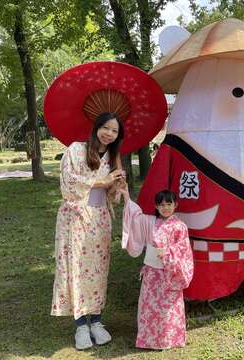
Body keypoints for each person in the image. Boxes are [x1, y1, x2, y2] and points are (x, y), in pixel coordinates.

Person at [51, 112, 125, 350]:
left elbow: (110, 197)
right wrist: (100, 182)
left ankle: (97, 321)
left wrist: (116, 186)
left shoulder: (114, 158)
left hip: (99, 219)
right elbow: (68, 182)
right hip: (75, 219)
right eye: (105, 128)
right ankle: (81, 325)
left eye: (114, 131)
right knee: (77, 269)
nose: (109, 134)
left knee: (98, 270)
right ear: (96, 128)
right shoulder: (75, 150)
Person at [120, 188, 194, 350]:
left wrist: (167, 253)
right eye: (161, 204)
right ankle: (149, 340)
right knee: (150, 307)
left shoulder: (180, 226)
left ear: (176, 205)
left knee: (168, 308)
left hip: (170, 274)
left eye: (169, 204)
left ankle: (170, 339)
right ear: (156, 206)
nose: (165, 207)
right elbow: (135, 218)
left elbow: (184, 251)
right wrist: (126, 196)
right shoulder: (151, 222)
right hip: (152, 273)